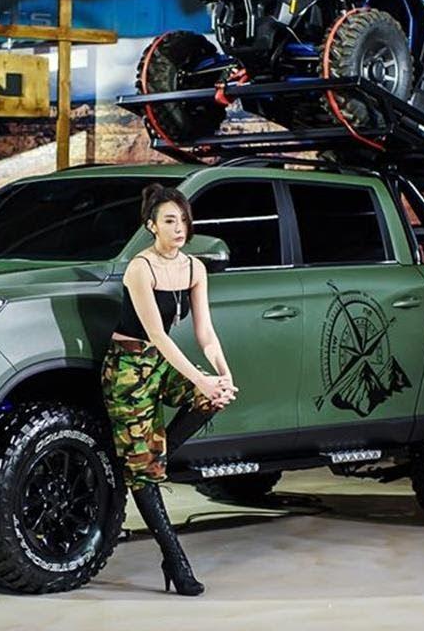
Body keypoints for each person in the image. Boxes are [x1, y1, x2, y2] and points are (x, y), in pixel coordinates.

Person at [101, 183, 238, 596]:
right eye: (169, 221)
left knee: (210, 398)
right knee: (145, 472)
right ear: (151, 225)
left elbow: (205, 332)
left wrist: (222, 376)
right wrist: (200, 378)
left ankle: (147, 460)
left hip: (162, 363)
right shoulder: (140, 268)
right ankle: (174, 559)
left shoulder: (194, 268)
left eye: (183, 220)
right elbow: (158, 335)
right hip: (128, 368)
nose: (179, 228)